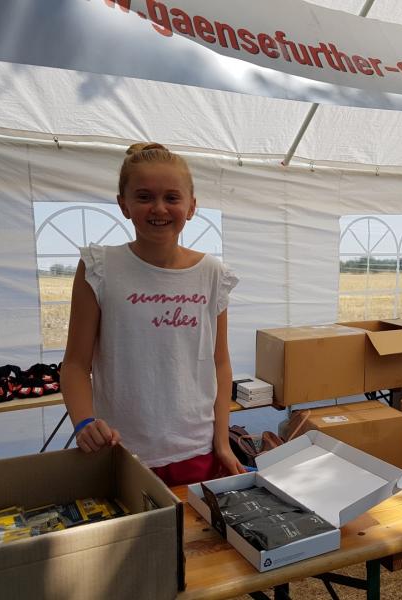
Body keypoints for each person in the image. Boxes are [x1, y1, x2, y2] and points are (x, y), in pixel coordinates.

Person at [61, 142, 246, 486]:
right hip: (121, 451)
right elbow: (74, 364)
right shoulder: (99, 267)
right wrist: (84, 423)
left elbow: (220, 363)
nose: (159, 208)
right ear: (124, 205)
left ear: (191, 206)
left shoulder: (212, 274)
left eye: (172, 198)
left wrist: (221, 442)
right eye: (144, 197)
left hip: (197, 451)